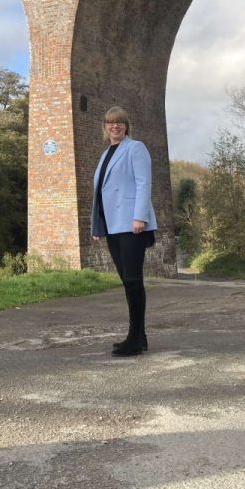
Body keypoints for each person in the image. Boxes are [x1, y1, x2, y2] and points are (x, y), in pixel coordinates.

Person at [91, 106, 157, 357]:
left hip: (131, 224)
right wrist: (98, 224)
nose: (114, 126)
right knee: (126, 281)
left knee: (133, 281)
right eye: (110, 123)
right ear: (105, 127)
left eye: (119, 123)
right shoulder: (106, 153)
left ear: (126, 126)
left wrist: (140, 216)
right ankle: (139, 336)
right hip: (113, 225)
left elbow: (143, 183)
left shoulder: (135, 148)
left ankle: (135, 338)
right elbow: (100, 192)